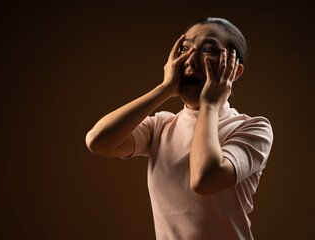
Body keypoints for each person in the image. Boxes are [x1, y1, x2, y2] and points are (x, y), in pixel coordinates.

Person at [85, 17, 273, 240]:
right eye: (185, 48)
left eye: (207, 49)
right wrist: (164, 88)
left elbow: (204, 179)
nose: (191, 59)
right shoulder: (161, 126)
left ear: (234, 71)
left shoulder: (253, 128)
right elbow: (97, 141)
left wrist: (210, 104)